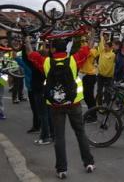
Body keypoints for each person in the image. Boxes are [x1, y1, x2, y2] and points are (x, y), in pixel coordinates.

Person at [26, 34, 96, 179]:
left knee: (59, 137)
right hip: (74, 103)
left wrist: (27, 40)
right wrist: (93, 32)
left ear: (52, 49)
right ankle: (88, 163)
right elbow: (88, 47)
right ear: (66, 49)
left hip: (55, 105)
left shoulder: (46, 62)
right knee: (80, 133)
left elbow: (30, 54)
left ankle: (61, 169)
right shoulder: (73, 60)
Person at [79, 35, 98, 120]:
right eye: (82, 41)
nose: (82, 43)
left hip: (91, 76)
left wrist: (92, 34)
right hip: (86, 76)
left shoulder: (92, 50)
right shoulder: (83, 50)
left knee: (89, 97)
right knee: (86, 96)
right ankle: (91, 113)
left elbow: (89, 47)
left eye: (84, 41)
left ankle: (93, 115)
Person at [96, 31, 115, 106]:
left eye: (106, 46)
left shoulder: (113, 55)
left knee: (107, 92)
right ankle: (100, 105)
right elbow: (101, 43)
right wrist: (101, 35)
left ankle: (107, 105)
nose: (105, 47)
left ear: (111, 47)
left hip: (109, 77)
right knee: (99, 91)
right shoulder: (102, 52)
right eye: (105, 46)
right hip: (100, 76)